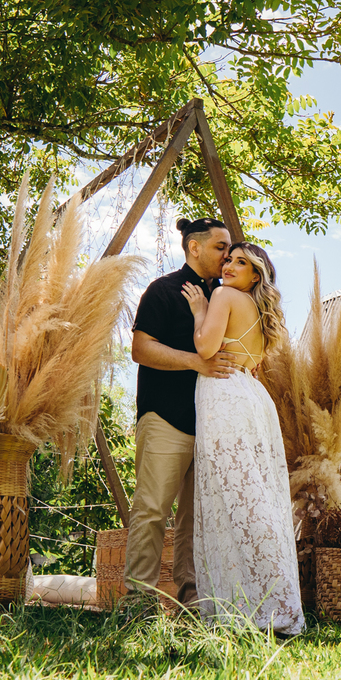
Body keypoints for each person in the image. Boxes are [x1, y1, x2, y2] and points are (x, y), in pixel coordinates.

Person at [181, 242, 305, 635]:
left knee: (236, 497)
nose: (229, 265)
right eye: (229, 259)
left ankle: (261, 602)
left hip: (224, 396)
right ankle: (266, 596)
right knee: (257, 494)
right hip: (252, 398)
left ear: (257, 275)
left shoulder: (222, 295)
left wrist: (200, 311)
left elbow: (205, 347)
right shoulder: (260, 312)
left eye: (241, 263)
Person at [125, 218, 238, 610]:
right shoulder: (163, 290)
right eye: (221, 247)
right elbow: (140, 350)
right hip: (165, 419)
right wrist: (196, 362)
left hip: (212, 425)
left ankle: (192, 601)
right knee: (153, 509)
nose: (228, 254)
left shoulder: (228, 296)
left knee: (198, 518)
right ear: (194, 247)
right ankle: (139, 601)